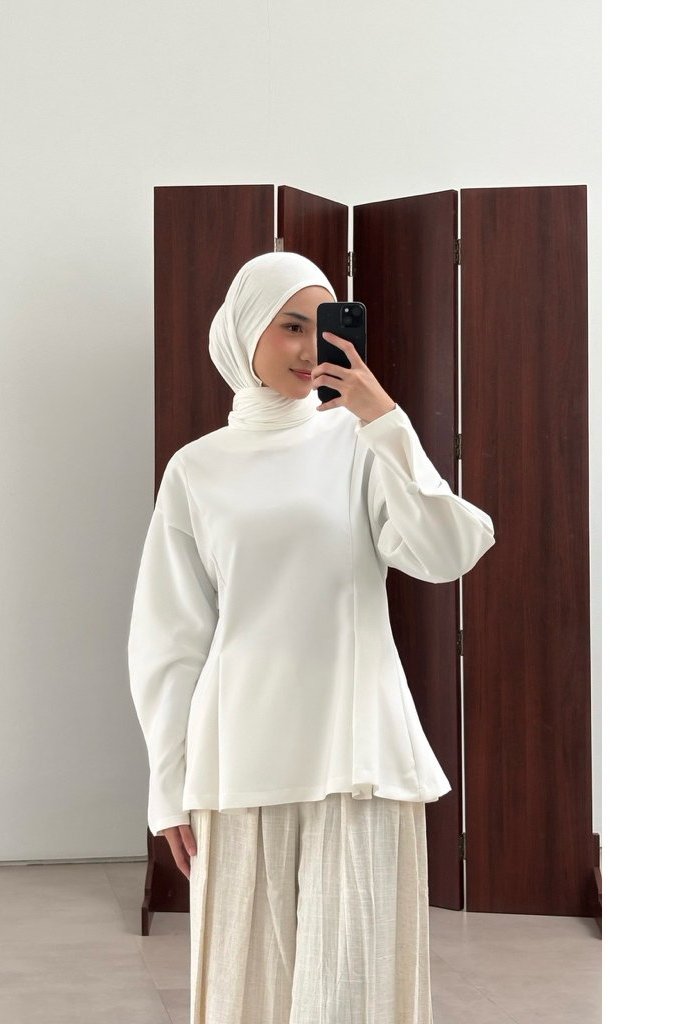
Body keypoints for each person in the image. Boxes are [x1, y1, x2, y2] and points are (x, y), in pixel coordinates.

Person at [127, 252, 495, 1023]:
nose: (309, 348)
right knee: (247, 998)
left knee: (356, 999)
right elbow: (170, 638)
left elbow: (448, 552)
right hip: (238, 758)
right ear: (243, 332)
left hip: (357, 759)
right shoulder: (196, 469)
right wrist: (167, 785)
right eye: (290, 326)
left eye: (322, 326)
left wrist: (386, 421)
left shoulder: (359, 443)